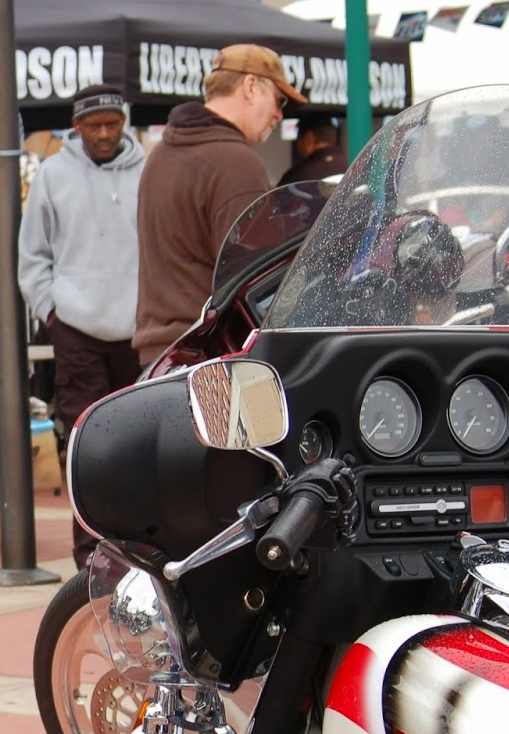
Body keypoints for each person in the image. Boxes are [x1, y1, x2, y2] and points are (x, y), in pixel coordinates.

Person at [18, 83, 145, 569]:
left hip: (136, 328)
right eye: (94, 125)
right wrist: (52, 313)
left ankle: (136, 547)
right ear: (77, 128)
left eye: (112, 124)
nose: (104, 133)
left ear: (124, 122)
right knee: (85, 440)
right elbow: (31, 255)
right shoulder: (52, 174)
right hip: (75, 326)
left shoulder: (147, 170)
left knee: (137, 439)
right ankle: (89, 552)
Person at [133, 43, 301, 364]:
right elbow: (254, 281)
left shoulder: (162, 153)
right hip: (211, 358)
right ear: (250, 86)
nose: (280, 114)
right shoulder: (235, 161)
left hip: (159, 357)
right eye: (279, 100)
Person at [277, 113, 347, 186]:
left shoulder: (298, 176)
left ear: (309, 138)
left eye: (299, 138)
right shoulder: (352, 167)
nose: (298, 145)